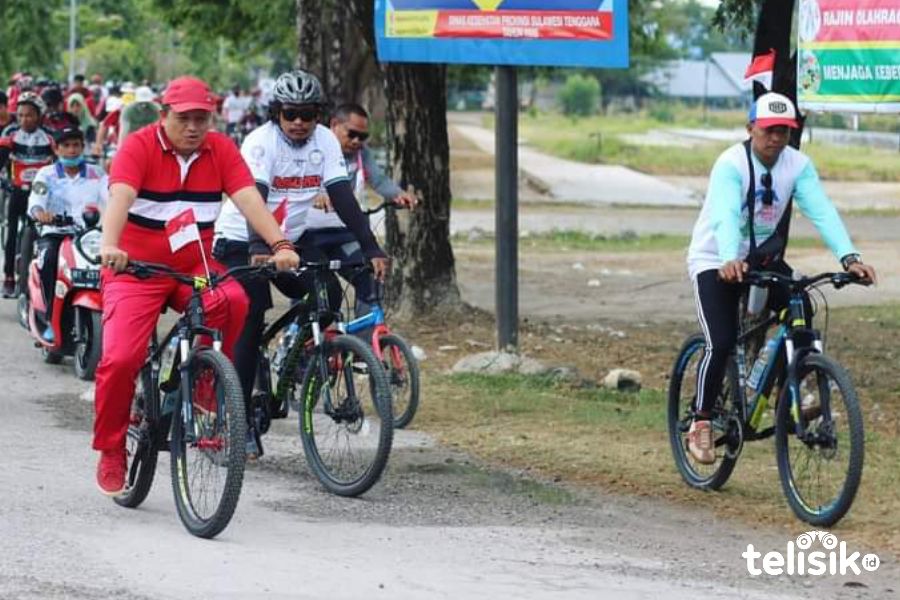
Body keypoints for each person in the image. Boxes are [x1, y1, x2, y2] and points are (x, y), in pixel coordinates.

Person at [93, 75, 300, 496]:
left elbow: (247, 200)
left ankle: (205, 382)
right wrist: (111, 245)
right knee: (120, 358)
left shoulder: (220, 149)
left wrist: (279, 243)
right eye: (184, 118)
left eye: (201, 119)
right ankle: (112, 448)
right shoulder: (139, 146)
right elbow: (120, 198)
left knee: (237, 300)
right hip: (135, 267)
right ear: (164, 115)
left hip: (194, 264)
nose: (193, 127)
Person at [685, 92, 877, 464]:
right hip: (715, 259)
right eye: (769, 130)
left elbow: (821, 209)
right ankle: (702, 420)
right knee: (721, 341)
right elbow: (725, 213)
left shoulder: (797, 165)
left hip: (763, 260)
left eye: (784, 131)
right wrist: (728, 258)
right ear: (751, 128)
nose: (775, 138)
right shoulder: (731, 164)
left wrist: (849, 257)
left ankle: (793, 391)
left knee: (801, 304)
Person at [213, 71, 387, 457]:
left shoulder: (324, 140)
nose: (298, 122)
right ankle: (236, 421)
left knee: (324, 298)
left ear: (317, 115)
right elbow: (252, 196)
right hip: (242, 240)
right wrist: (261, 244)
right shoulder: (261, 142)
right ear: (276, 112)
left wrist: (371, 247)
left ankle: (293, 367)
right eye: (290, 113)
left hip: (290, 242)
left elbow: (342, 196)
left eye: (307, 114)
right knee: (252, 312)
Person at [300, 102, 416, 322]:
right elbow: (292, 184)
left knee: (370, 277)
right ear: (334, 125)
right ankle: (303, 347)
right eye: (352, 134)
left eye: (363, 137)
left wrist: (398, 194)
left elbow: (379, 180)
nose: (357, 142)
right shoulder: (310, 148)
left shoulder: (361, 154)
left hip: (343, 232)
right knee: (319, 292)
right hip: (307, 234)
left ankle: (362, 349)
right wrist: (313, 196)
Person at [27, 126, 108, 342]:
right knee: (50, 260)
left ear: (83, 147)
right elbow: (35, 202)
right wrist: (41, 214)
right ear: (57, 148)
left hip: (89, 236)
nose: (72, 150)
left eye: (76, 145)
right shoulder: (46, 174)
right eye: (66, 146)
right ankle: (49, 317)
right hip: (55, 233)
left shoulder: (97, 173)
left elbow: (111, 198)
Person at [0, 92, 55, 297]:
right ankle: (8, 278)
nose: (24, 119)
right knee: (11, 233)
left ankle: (40, 276)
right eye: (21, 115)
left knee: (44, 232)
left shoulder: (49, 136)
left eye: (29, 115)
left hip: (41, 195)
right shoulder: (11, 132)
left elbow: (58, 164)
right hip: (17, 191)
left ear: (39, 116)